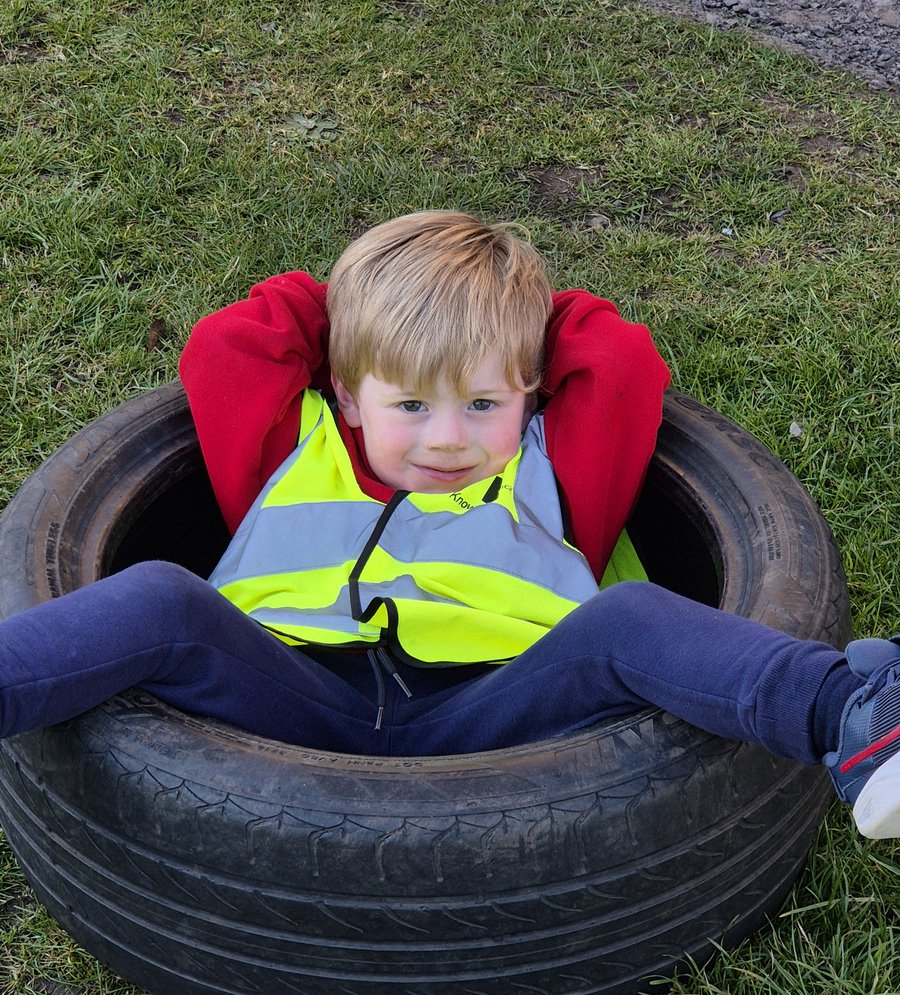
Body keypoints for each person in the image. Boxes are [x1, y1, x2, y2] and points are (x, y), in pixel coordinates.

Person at [0, 211, 898, 841]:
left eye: (481, 402)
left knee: (632, 618)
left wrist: (508, 312)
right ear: (347, 394)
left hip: (497, 708)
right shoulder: (298, 448)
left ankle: (857, 718)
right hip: (288, 693)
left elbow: (620, 360)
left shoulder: (549, 470)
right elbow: (229, 346)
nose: (448, 438)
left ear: (529, 392)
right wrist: (369, 309)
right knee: (161, 598)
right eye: (410, 405)